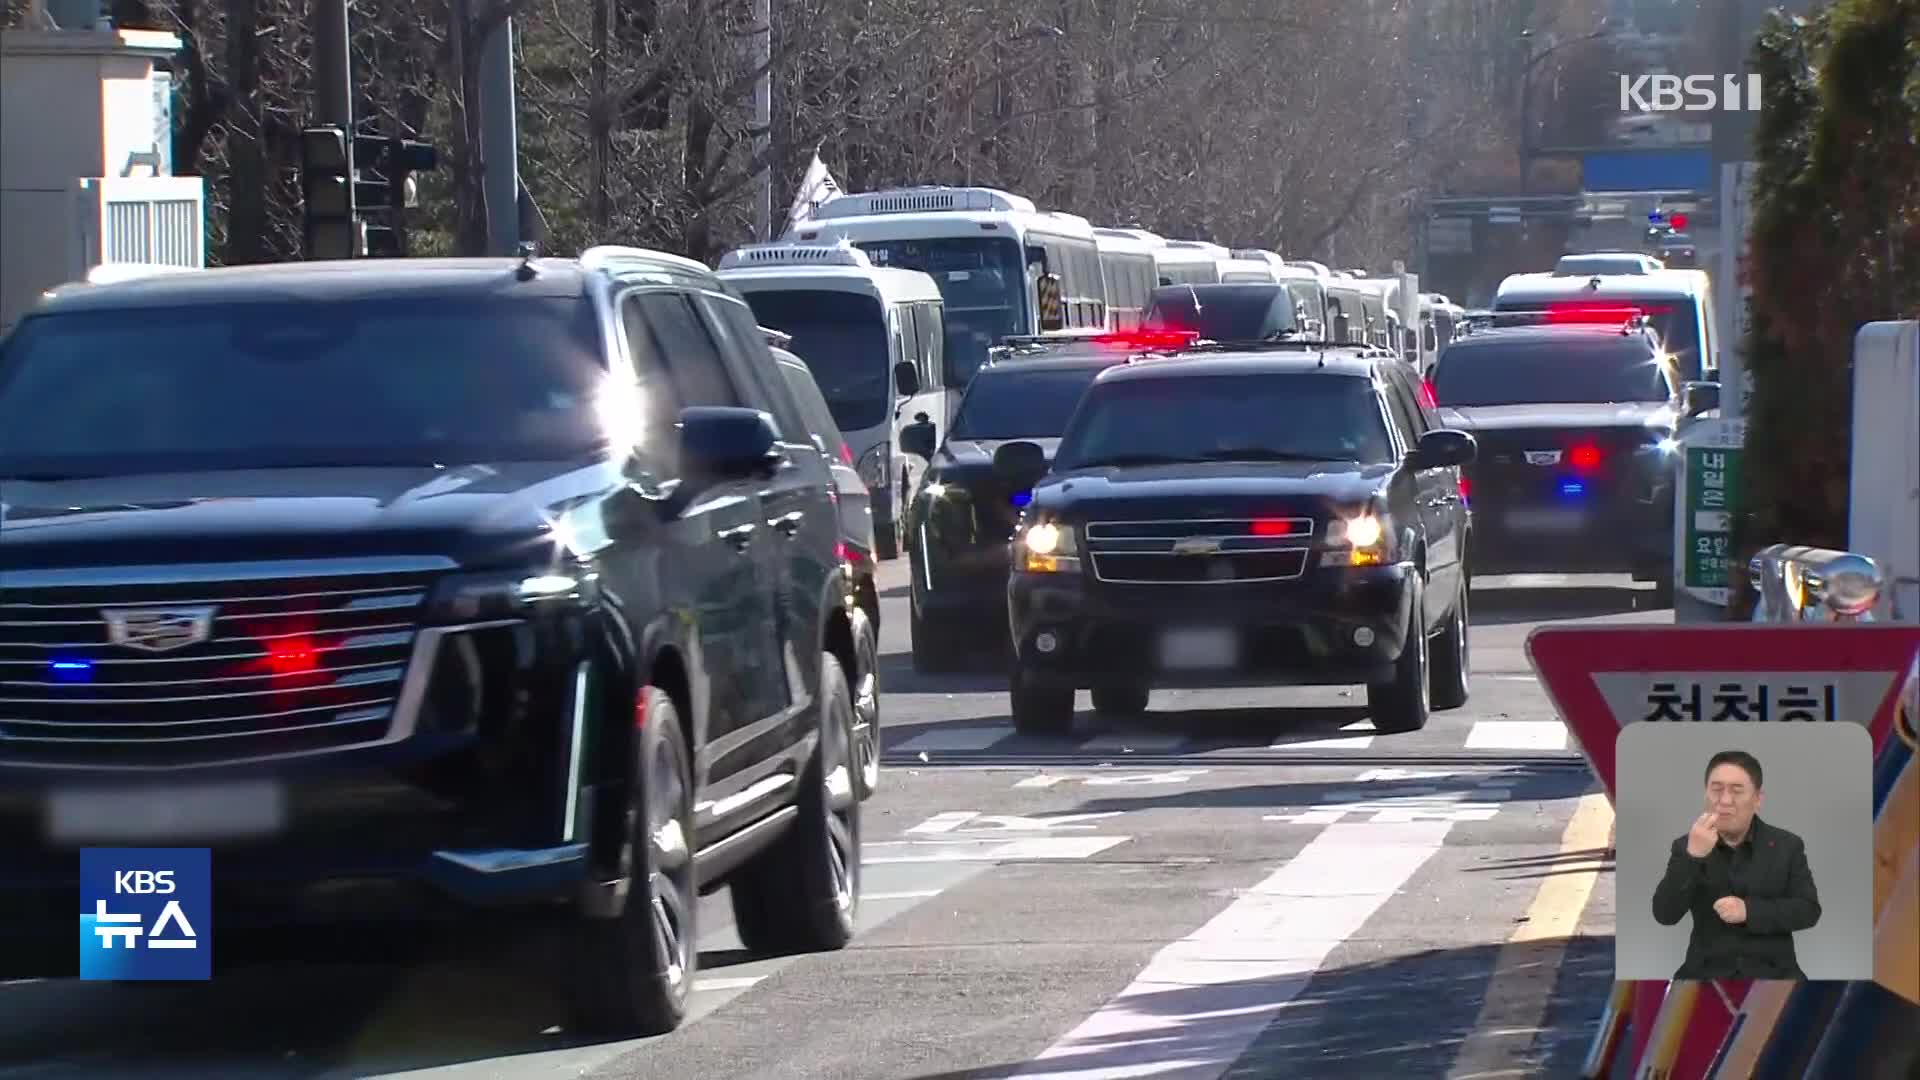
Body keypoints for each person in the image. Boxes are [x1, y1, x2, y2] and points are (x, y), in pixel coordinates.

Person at [1651, 749, 1822, 980]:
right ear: (1705, 794)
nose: (1724, 801)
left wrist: (1749, 911)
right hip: (1706, 973)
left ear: (1758, 800)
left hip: (1774, 973)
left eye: (1737, 791)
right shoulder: (1686, 846)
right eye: (1716, 790)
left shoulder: (1786, 845)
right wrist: (1693, 857)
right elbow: (1665, 914)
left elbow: (1808, 910)